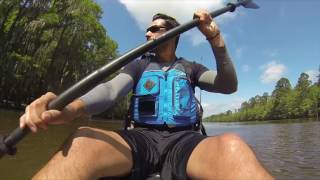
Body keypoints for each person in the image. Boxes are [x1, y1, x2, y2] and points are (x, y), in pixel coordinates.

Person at [20, 10, 274, 180]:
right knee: (82, 140)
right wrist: (70, 109)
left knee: (233, 146)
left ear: (173, 34)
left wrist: (215, 39)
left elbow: (227, 86)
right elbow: (110, 90)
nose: (147, 34)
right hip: (139, 139)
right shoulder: (138, 65)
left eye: (154, 29)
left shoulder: (191, 68)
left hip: (185, 141)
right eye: (147, 30)